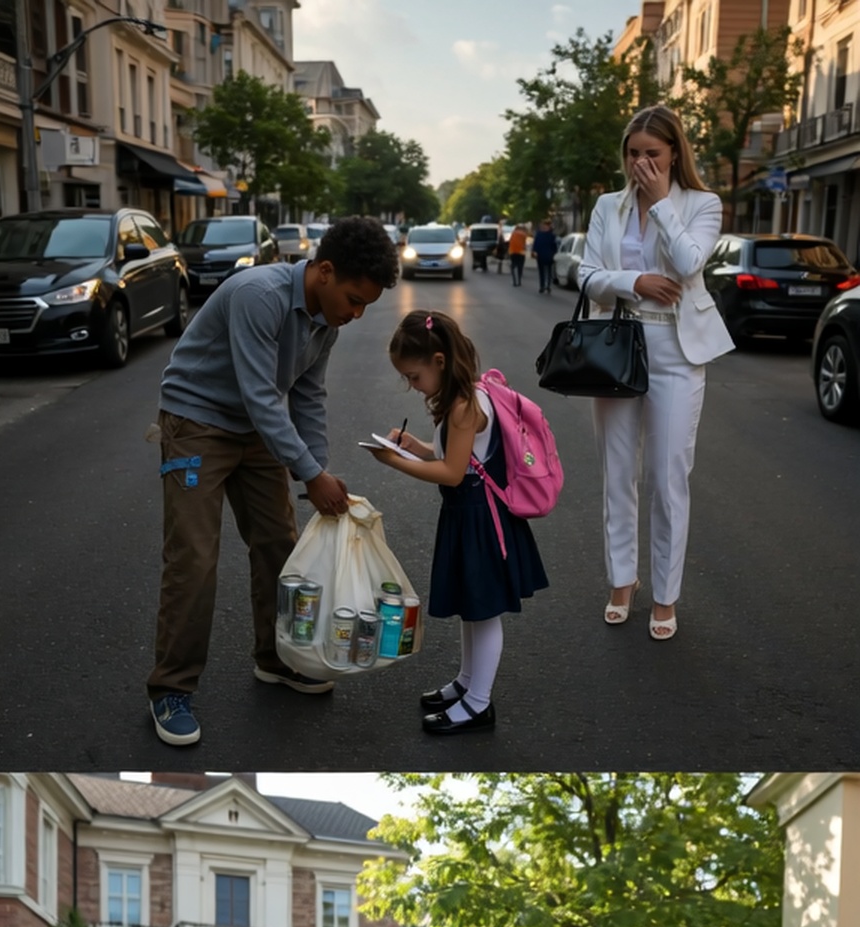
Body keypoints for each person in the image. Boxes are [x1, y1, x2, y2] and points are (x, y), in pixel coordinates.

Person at [146, 217, 400, 745]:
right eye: (353, 299)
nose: (355, 315)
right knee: (194, 557)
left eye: (365, 307)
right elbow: (263, 394)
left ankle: (277, 658)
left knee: (281, 550)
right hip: (197, 423)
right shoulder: (259, 295)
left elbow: (306, 396)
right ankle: (171, 688)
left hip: (254, 429)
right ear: (324, 271)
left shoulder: (325, 320)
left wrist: (320, 471)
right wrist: (309, 474)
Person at [577, 104, 733, 640]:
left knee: (668, 480)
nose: (641, 163)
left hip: (676, 350)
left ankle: (665, 594)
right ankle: (624, 580)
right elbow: (588, 275)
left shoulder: (702, 203)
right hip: (618, 345)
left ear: (673, 155)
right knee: (617, 473)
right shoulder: (607, 207)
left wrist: (663, 202)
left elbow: (690, 264)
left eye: (653, 154)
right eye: (633, 153)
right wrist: (635, 281)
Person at [365, 309, 548, 736]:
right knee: (472, 605)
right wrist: (414, 446)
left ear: (439, 362)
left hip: (481, 516)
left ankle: (479, 704)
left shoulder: (466, 404)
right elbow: (454, 456)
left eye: (413, 376)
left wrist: (394, 461)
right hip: (468, 511)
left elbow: (452, 470)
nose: (412, 386)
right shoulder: (462, 398)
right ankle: (467, 685)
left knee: (483, 611)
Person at [532, 219, 558, 294]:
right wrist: (534, 251)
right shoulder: (539, 234)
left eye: (547, 226)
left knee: (549, 271)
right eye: (544, 225)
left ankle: (548, 286)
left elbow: (554, 246)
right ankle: (542, 286)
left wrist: (554, 253)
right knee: (541, 271)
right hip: (540, 255)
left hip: (549, 255)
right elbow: (536, 244)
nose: (545, 227)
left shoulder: (552, 236)